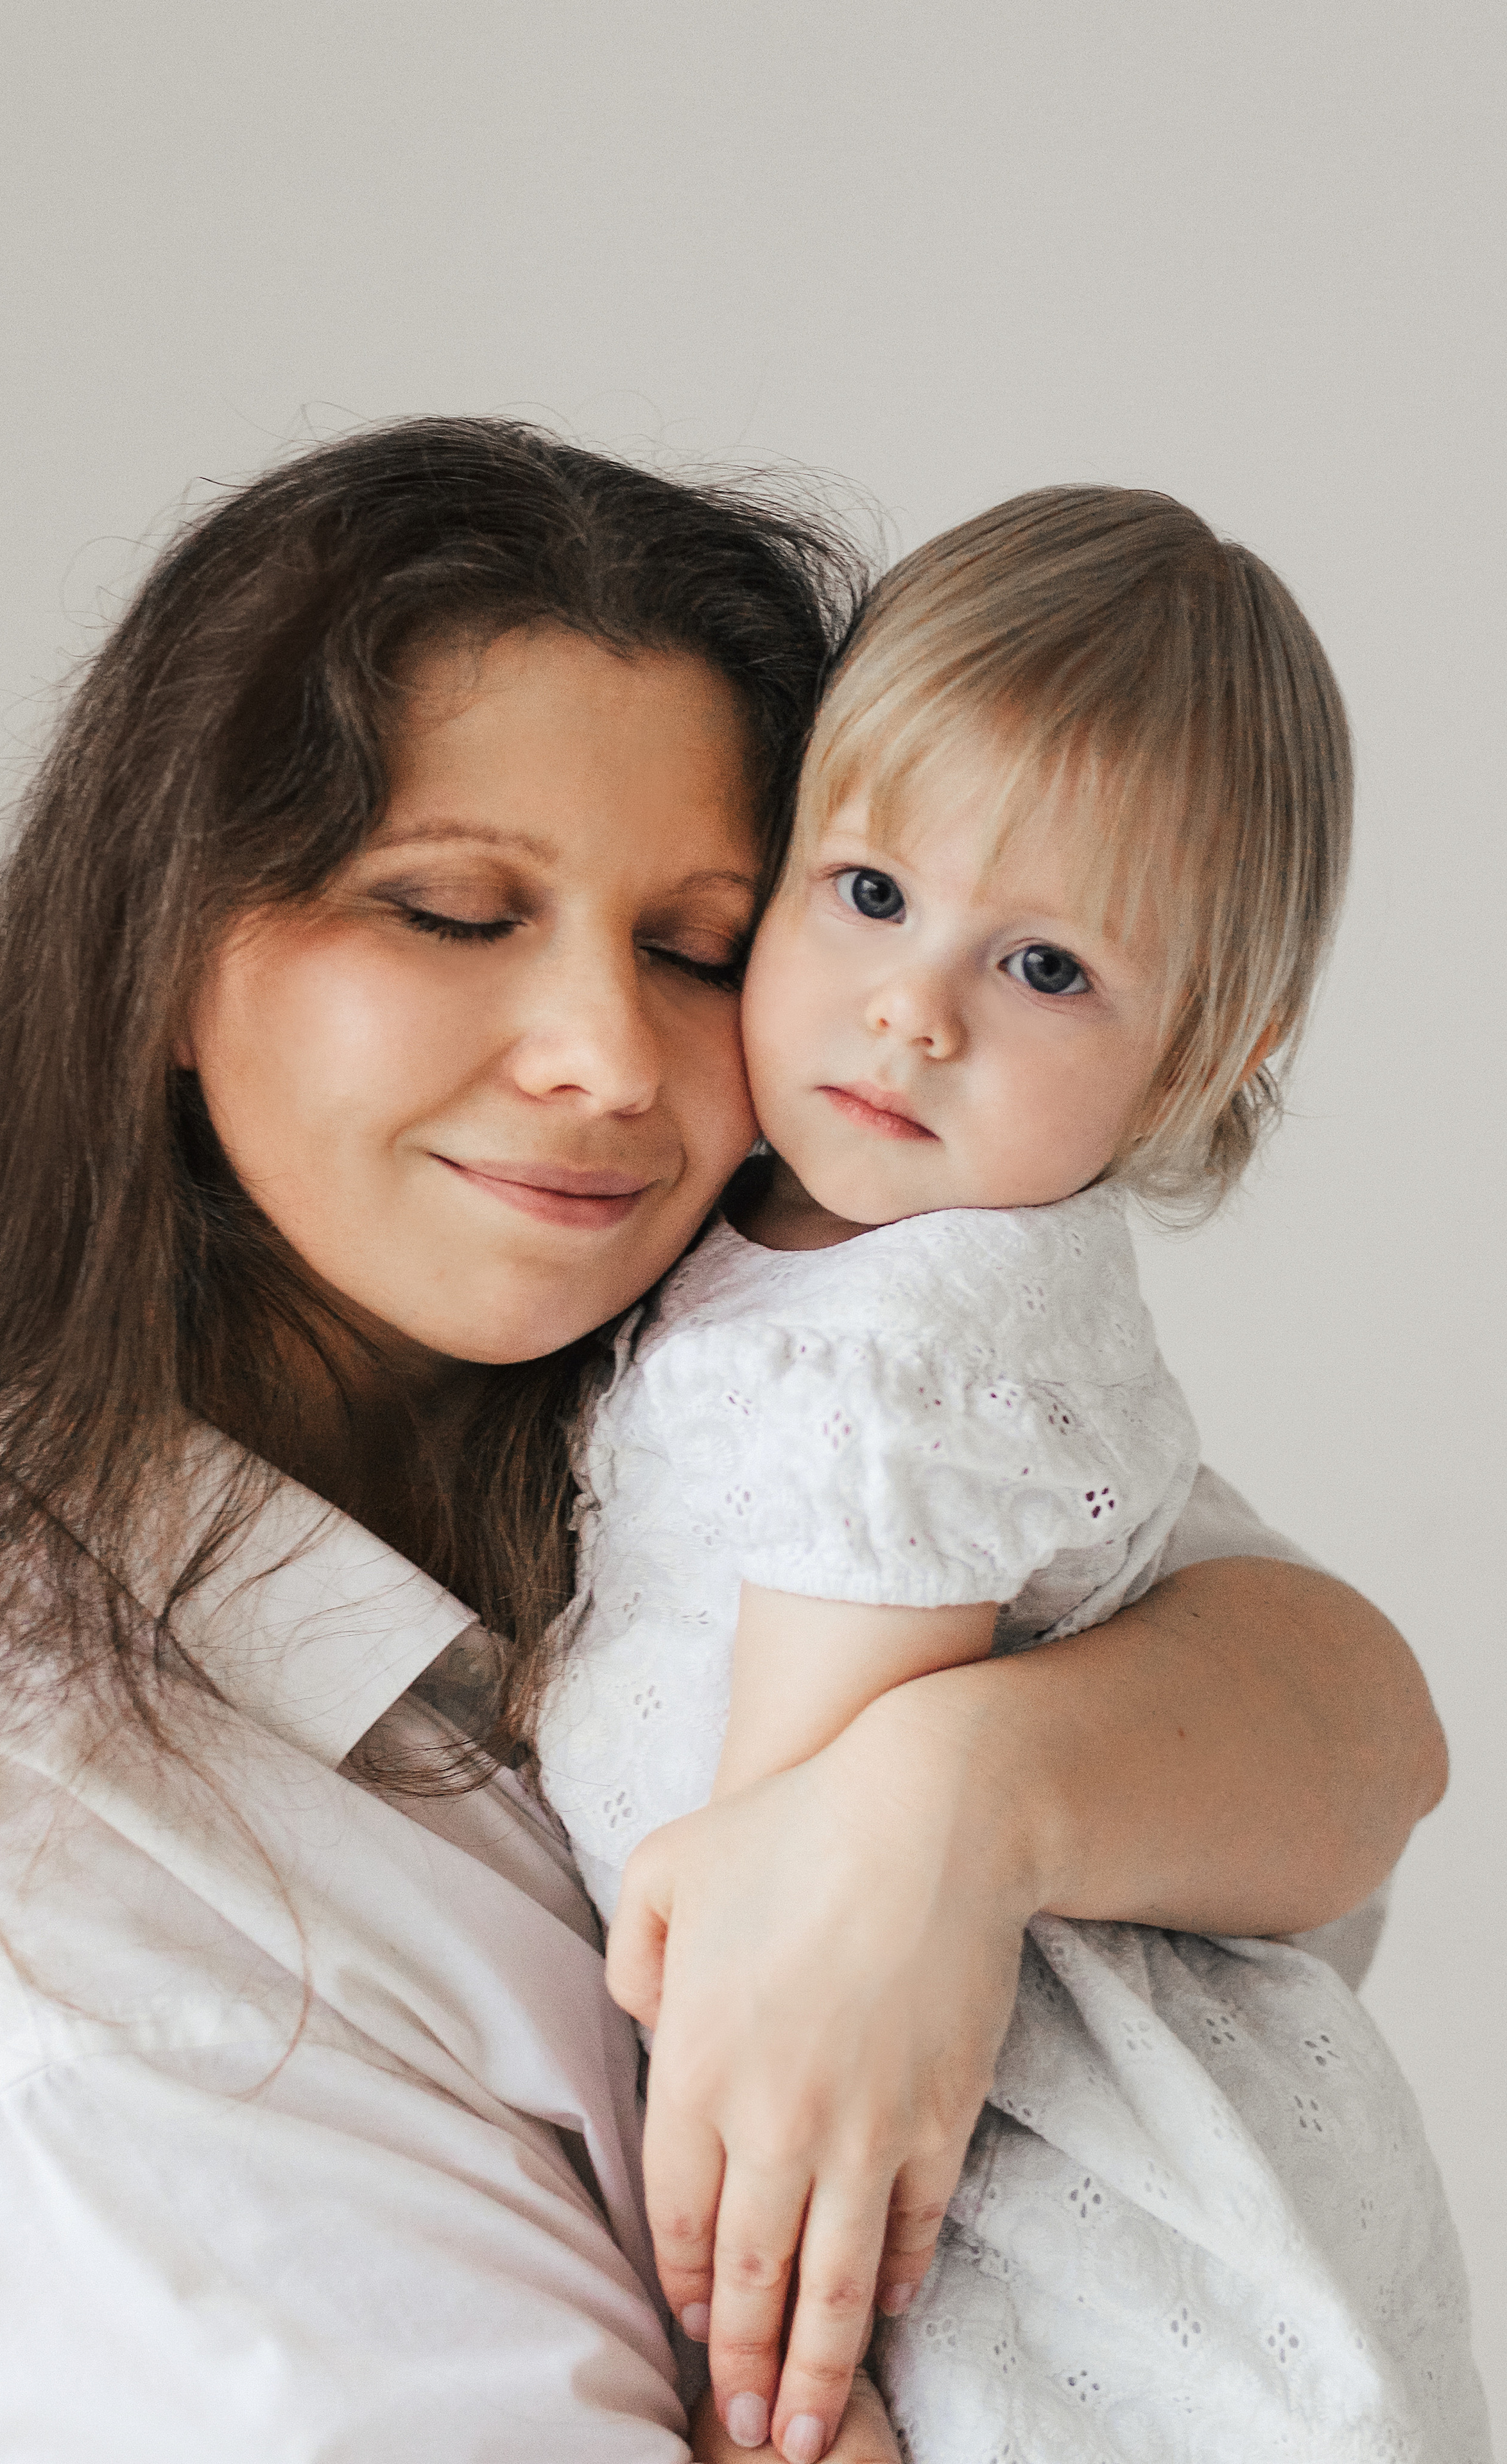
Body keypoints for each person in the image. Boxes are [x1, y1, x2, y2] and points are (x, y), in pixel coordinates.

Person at [0, 420, 1454, 2464]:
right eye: (451, 910)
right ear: (162, 945)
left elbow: (1360, 1724)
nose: (608, 1057)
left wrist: (960, 1800)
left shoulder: (783, 1339)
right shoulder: (56, 1884)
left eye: (699, 944)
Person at [535, 489, 1488, 2458]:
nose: (917, 1007)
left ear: (1211, 1054)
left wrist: (781, 2404)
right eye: (870, 894)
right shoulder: (818, 1256)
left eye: (1047, 969)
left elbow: (789, 1957)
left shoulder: (908, 1352)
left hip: (1024, 2262)